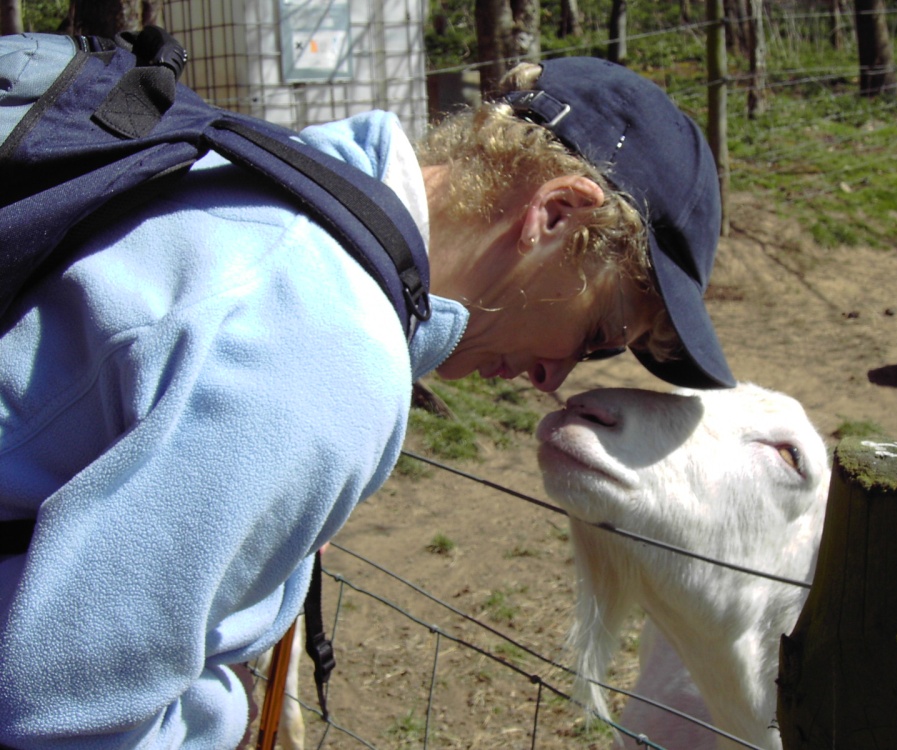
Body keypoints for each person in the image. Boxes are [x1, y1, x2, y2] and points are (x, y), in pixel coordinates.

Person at [0, 51, 734, 749]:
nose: (554, 379)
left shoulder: (275, 180)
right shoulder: (327, 342)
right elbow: (71, 715)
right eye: (599, 333)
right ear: (557, 214)